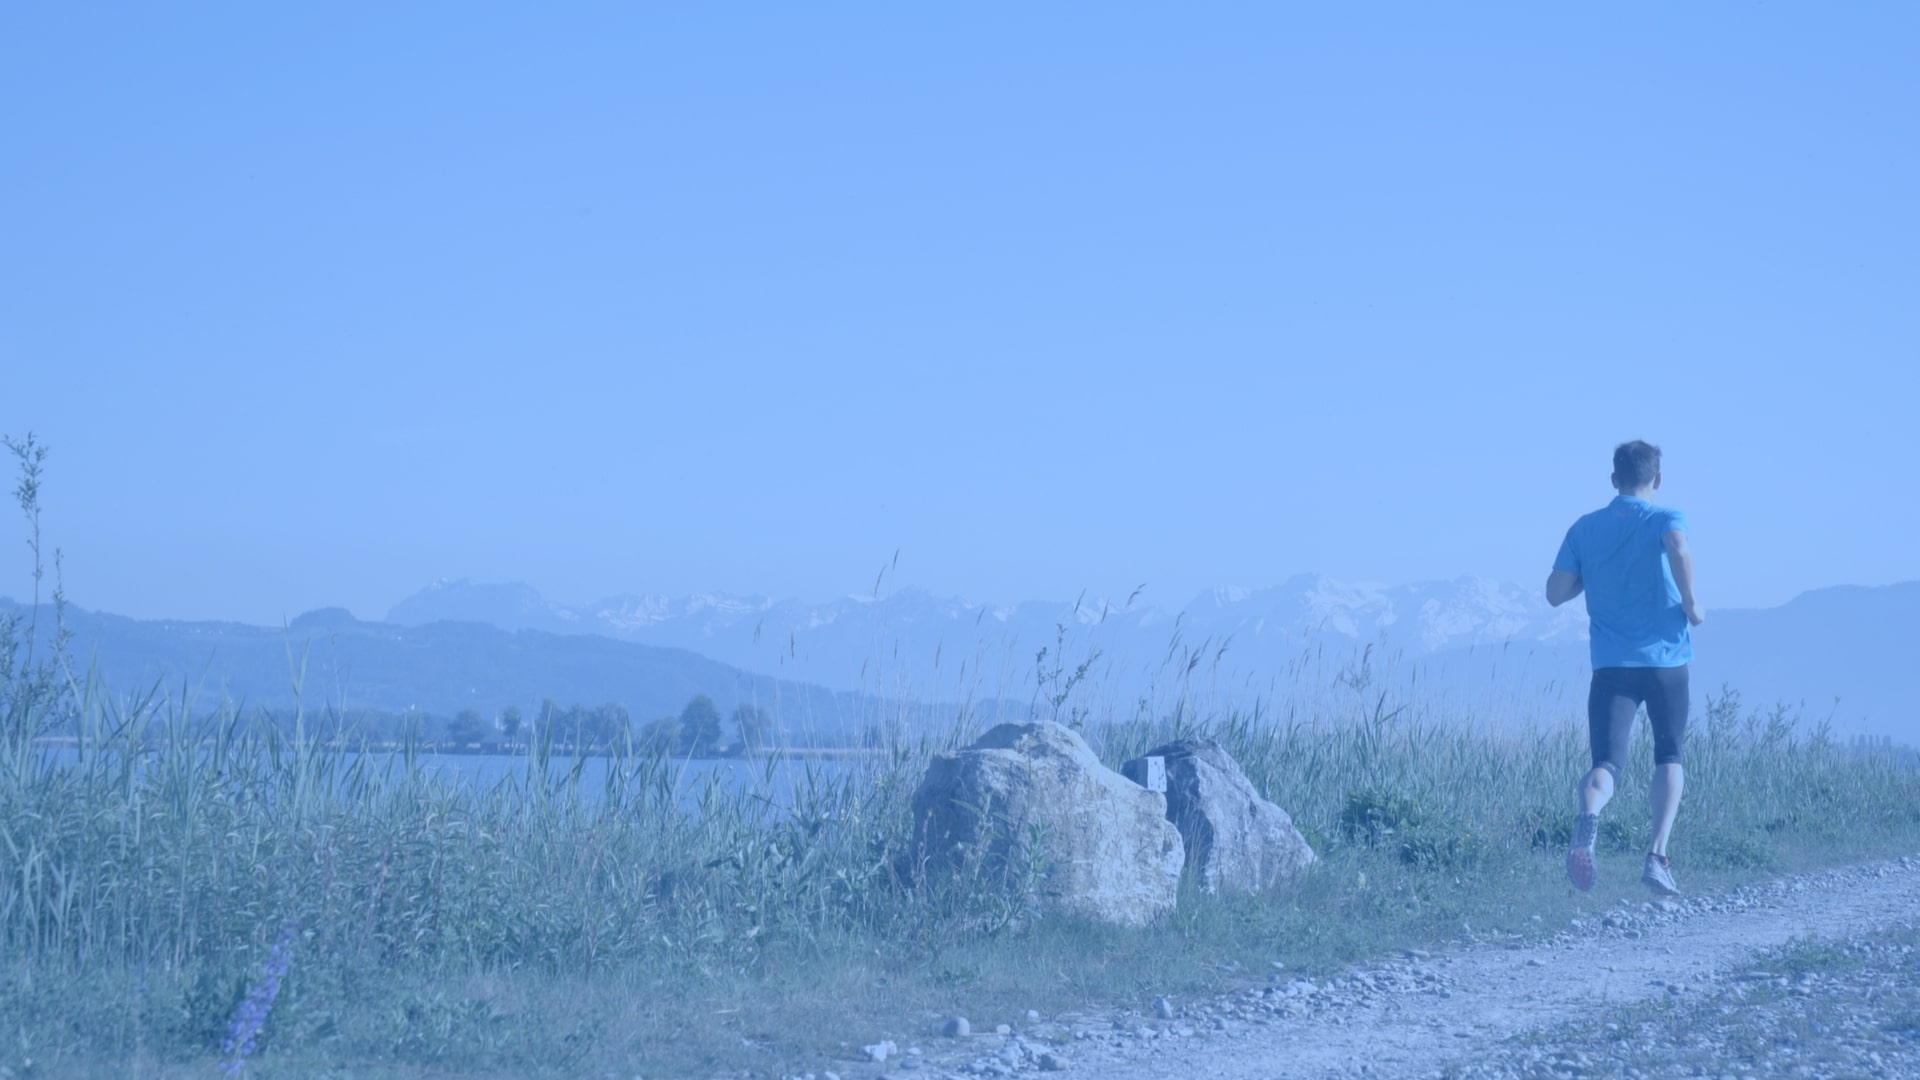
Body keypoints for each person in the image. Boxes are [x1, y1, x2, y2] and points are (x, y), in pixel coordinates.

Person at [1546, 440, 1705, 897]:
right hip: (1666, 662)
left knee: (1606, 765)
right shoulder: (1666, 518)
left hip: (1610, 665)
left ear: (1613, 480)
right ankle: (1656, 856)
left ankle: (1588, 821)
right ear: (1656, 479)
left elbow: (1556, 592)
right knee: (1669, 757)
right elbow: (1677, 546)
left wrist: (1592, 576)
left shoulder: (1584, 528)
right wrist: (1692, 604)